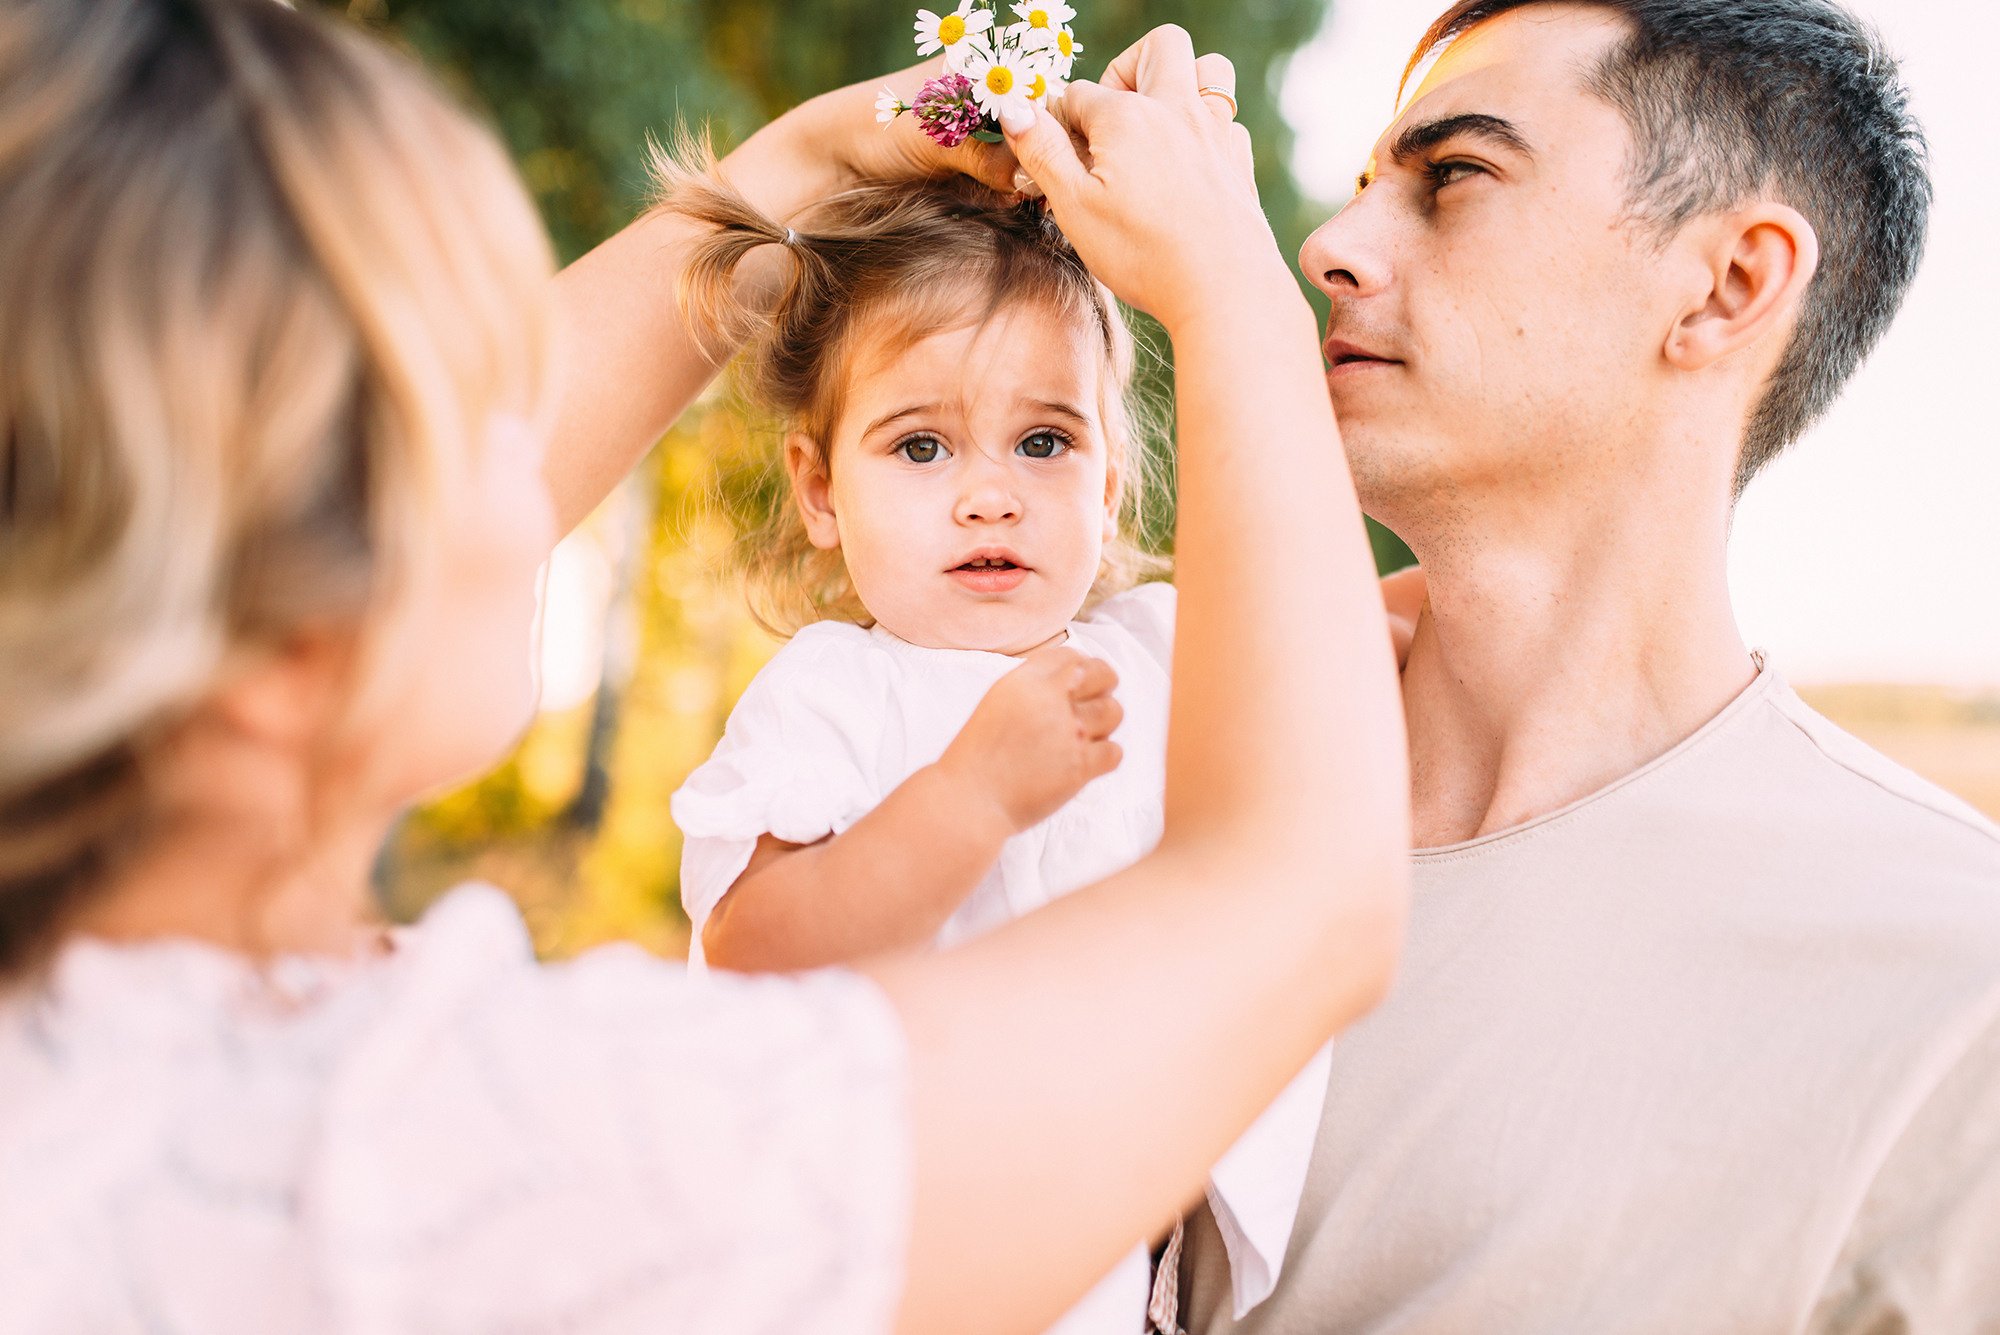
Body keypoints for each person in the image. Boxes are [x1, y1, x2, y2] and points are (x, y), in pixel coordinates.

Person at [0, 4, 1411, 1334]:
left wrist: (794, 164)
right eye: (469, 405)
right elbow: (1303, 905)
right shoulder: (413, 1155)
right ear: (271, 620)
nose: (538, 444)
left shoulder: (99, 1076)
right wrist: (1230, 285)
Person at [1012, 0, 1998, 1330]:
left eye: (1454, 178)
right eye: (1365, 186)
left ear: (1729, 285)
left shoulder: (1953, 985)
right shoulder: (1080, 731)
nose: (1327, 246)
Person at [656, 172, 1372, 1334]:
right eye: (921, 446)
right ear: (820, 485)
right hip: (892, 1240)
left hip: (1117, 1255)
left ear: (1112, 476)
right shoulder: (839, 693)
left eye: (1043, 440)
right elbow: (753, 952)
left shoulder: (1164, 647)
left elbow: (1331, 641)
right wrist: (965, 799)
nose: (989, 495)